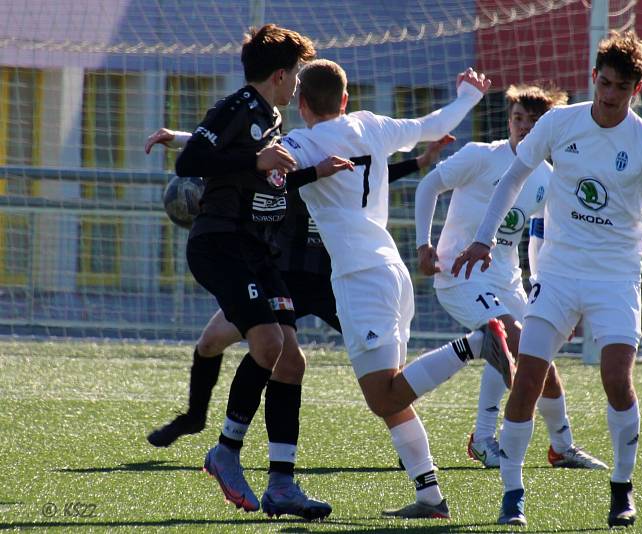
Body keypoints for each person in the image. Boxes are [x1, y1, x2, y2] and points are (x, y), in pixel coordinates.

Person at [452, 31, 642, 528]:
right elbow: (513, 178)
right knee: (527, 381)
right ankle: (513, 495)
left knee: (616, 380)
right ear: (593, 78)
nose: (608, 95)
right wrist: (481, 237)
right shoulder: (561, 123)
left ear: (637, 87)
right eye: (603, 83)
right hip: (557, 274)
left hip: (614, 278)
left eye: (620, 87)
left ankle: (622, 490)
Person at [281, 59, 513, 519]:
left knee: (383, 395)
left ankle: (478, 343)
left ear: (300, 103)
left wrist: (192, 143)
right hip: (390, 269)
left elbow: (256, 166)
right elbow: (433, 126)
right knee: (393, 396)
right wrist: (468, 95)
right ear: (345, 100)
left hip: (359, 277)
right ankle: (430, 497)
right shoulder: (370, 124)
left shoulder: (300, 142)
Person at [145, 130, 454, 449]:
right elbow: (239, 146)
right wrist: (182, 140)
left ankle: (409, 444)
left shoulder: (343, 172)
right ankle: (195, 416)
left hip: (334, 283)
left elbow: (375, 176)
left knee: (384, 367)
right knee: (210, 342)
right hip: (284, 280)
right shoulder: (292, 165)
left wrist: (421, 160)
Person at [174, 24, 353, 520]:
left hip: (255, 252)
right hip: (221, 243)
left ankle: (281, 486)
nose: (299, 84)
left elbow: (270, 171)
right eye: (297, 73)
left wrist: (315, 172)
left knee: (289, 361)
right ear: (280, 74)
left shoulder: (270, 118)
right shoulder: (238, 108)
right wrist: (255, 158)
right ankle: (226, 452)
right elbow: (192, 159)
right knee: (271, 347)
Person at [414, 84, 607, 471]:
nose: (523, 126)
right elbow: (429, 184)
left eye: (533, 121)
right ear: (510, 120)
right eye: (518, 118)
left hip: (508, 282)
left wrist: (542, 289)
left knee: (539, 355)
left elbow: (540, 235)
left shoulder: (550, 178)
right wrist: (424, 244)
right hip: (460, 278)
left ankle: (561, 446)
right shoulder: (481, 156)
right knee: (510, 337)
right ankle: (484, 438)